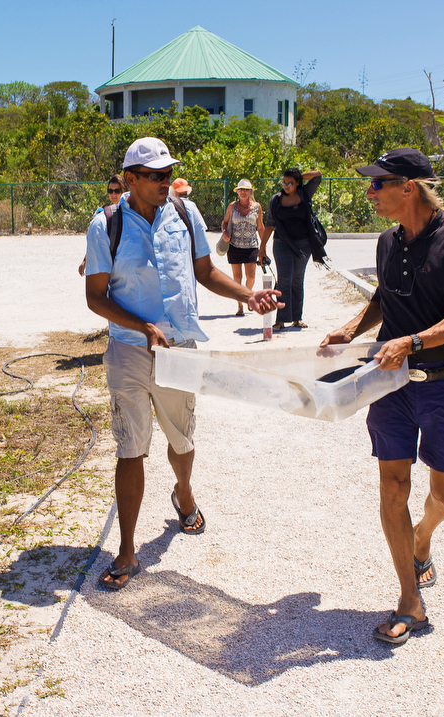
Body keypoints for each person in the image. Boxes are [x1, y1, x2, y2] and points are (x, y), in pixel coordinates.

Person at [85, 137, 280, 590]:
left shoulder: (186, 214)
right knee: (129, 448)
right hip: (129, 352)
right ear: (130, 179)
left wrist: (249, 295)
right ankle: (128, 549)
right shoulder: (106, 225)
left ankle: (183, 491)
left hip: (180, 350)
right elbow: (96, 297)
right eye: (153, 175)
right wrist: (143, 327)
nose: (163, 182)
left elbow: (206, 272)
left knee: (182, 440)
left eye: (167, 173)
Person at [320, 148, 444, 645]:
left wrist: (412, 342)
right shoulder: (387, 241)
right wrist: (351, 328)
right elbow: (383, 299)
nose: (370, 193)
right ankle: (409, 598)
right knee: (393, 487)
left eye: (378, 184)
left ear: (408, 186)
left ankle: (423, 537)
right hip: (390, 385)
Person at [260, 168, 325, 330]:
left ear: (297, 184)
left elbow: (318, 175)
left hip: (303, 245)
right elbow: (269, 224)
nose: (286, 186)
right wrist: (262, 248)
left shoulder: (304, 193)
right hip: (281, 243)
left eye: (290, 183)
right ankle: (280, 320)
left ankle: (297, 318)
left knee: (297, 280)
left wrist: (298, 177)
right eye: (284, 182)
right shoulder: (276, 199)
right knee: (284, 280)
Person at [220, 179, 265, 316]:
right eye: (240, 190)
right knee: (237, 278)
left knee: (251, 278)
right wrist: (224, 232)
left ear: (250, 191)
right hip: (234, 246)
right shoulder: (232, 206)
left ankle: (247, 298)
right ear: (237, 192)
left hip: (251, 246)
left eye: (246, 189)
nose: (243, 192)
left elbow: (261, 226)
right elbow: (225, 222)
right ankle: (240, 305)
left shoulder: (257, 207)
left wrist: (263, 246)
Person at [78, 175, 126, 276]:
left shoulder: (130, 214)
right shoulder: (103, 214)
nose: (113, 194)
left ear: (124, 191)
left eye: (117, 191)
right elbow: (95, 240)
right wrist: (85, 260)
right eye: (110, 191)